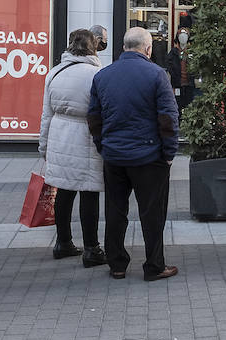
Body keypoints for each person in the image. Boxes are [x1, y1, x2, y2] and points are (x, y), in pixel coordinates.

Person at [88, 27, 180, 281]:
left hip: (114, 155)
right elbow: (168, 119)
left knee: (115, 211)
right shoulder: (157, 75)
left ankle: (117, 264)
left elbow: (94, 117)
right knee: (152, 213)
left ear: (124, 46)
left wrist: (102, 146)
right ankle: (154, 265)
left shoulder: (103, 76)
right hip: (149, 157)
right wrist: (169, 153)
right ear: (148, 49)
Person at [38, 29, 106, 266]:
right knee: (89, 193)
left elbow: (46, 114)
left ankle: (63, 242)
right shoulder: (97, 74)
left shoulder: (54, 73)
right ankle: (91, 248)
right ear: (92, 47)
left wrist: (43, 146)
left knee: (64, 192)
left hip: (59, 134)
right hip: (86, 136)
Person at [167, 29, 196, 113]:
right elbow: (169, 65)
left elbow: (197, 65)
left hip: (189, 84)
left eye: (185, 36)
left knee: (189, 105)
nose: (183, 39)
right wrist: (174, 75)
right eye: (181, 37)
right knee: (177, 105)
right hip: (177, 84)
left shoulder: (192, 52)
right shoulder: (174, 52)